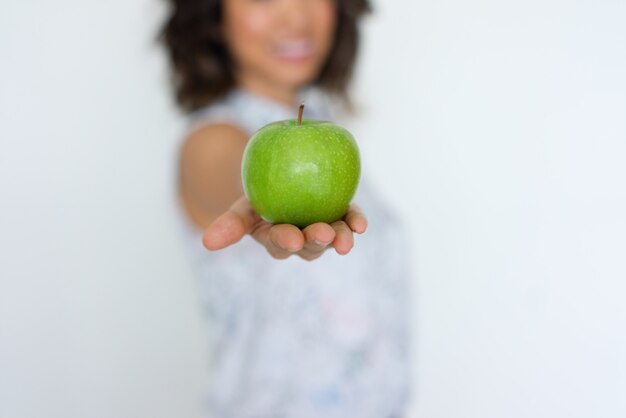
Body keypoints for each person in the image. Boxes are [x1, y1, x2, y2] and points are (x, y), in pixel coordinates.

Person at [160, 0, 412, 417]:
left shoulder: (325, 132)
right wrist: (263, 205)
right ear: (212, 15)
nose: (295, 15)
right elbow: (224, 167)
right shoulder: (211, 139)